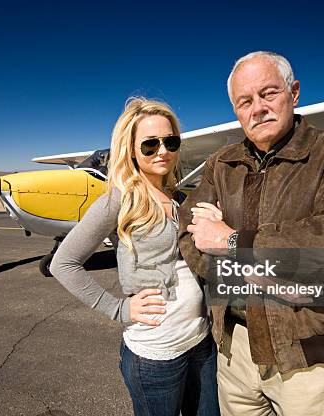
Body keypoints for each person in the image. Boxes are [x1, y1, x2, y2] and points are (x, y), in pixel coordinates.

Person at [179, 51, 324, 416]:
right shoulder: (222, 163)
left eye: (269, 93)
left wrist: (234, 242)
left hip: (309, 358)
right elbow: (190, 233)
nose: (257, 108)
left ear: (293, 92)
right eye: (244, 101)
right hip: (235, 352)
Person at [50, 97, 220, 416]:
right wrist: (118, 308)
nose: (163, 151)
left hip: (201, 346)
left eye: (170, 141)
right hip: (154, 356)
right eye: (150, 144)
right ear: (130, 149)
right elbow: (63, 263)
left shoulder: (183, 199)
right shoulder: (118, 201)